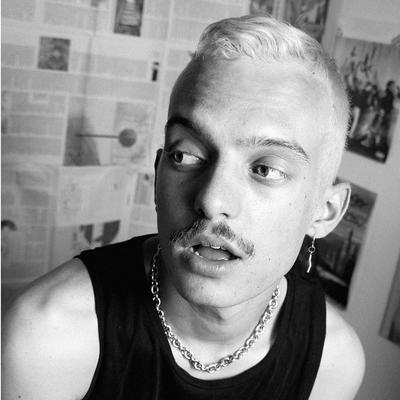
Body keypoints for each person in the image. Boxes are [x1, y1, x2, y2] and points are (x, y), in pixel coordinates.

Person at [2, 15, 365, 399]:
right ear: (158, 171)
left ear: (325, 211)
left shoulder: (333, 362)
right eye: (186, 155)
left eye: (264, 169)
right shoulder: (50, 337)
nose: (211, 201)